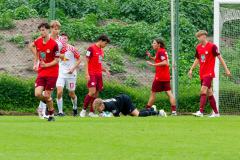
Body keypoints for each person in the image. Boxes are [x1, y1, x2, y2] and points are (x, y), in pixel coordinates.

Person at [188, 30, 231, 117]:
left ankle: (200, 112)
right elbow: (197, 59)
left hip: (209, 73)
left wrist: (226, 69)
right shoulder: (198, 47)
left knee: (203, 90)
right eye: (199, 36)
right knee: (209, 93)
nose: (200, 38)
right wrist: (191, 69)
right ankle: (216, 113)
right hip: (202, 73)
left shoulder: (212, 46)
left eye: (201, 36)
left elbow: (220, 58)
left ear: (204, 36)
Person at [30, 22, 59, 121]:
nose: (41, 32)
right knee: (37, 94)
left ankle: (51, 114)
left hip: (52, 73)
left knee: (47, 95)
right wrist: (35, 63)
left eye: (43, 30)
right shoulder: (38, 41)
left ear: (48, 30)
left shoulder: (54, 44)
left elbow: (56, 60)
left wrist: (46, 65)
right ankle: (48, 102)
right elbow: (34, 50)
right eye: (40, 30)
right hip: (42, 72)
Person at [37, 20, 66, 118]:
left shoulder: (60, 41)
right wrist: (37, 61)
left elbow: (63, 55)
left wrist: (61, 57)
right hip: (44, 67)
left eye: (58, 29)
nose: (56, 31)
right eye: (54, 28)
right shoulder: (42, 38)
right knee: (42, 93)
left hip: (57, 68)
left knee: (51, 93)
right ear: (51, 29)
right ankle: (42, 110)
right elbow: (39, 51)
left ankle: (49, 112)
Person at [80, 35, 111, 117]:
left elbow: (98, 64)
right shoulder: (91, 48)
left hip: (98, 74)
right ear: (100, 40)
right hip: (91, 73)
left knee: (96, 94)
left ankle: (91, 112)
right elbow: (86, 62)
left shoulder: (101, 51)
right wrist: (86, 73)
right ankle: (83, 110)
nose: (105, 45)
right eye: (105, 43)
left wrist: (105, 70)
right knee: (92, 92)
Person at [145, 39, 177, 116]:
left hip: (160, 77)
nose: (152, 44)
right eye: (153, 43)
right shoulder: (161, 51)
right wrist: (151, 57)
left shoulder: (161, 51)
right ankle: (174, 112)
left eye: (154, 43)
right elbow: (158, 59)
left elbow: (165, 62)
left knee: (153, 93)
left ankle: (146, 110)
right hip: (166, 76)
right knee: (169, 93)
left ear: (159, 44)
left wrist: (152, 65)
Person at [56, 33, 81, 116]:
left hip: (71, 74)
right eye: (62, 38)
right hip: (61, 74)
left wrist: (73, 68)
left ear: (67, 39)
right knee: (59, 92)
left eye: (65, 38)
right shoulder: (57, 49)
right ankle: (60, 112)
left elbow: (79, 59)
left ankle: (75, 107)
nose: (64, 40)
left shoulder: (72, 48)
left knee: (72, 94)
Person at [93, 94, 167, 117]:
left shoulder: (110, 105)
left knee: (138, 114)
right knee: (133, 114)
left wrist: (108, 116)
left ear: (101, 105)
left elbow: (117, 116)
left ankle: (159, 112)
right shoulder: (102, 103)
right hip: (121, 103)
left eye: (98, 109)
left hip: (125, 101)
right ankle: (151, 109)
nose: (98, 110)